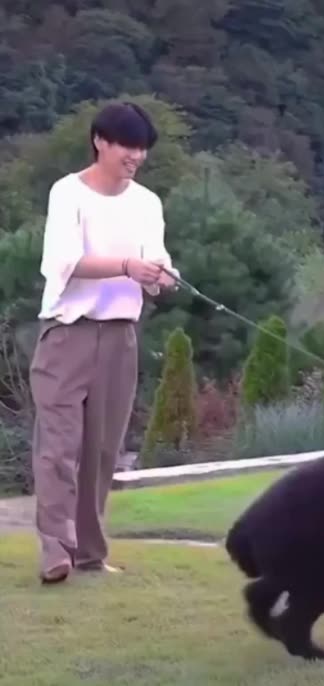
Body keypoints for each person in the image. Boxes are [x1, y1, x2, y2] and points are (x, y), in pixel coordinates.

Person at [30, 101, 179, 584]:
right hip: (66, 334)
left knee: (101, 453)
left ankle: (90, 555)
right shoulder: (68, 193)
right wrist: (127, 267)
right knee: (58, 447)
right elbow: (65, 262)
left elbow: (156, 262)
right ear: (100, 141)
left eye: (142, 148)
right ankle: (55, 550)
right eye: (126, 146)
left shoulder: (147, 203)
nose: (135, 156)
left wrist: (161, 276)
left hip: (120, 338)